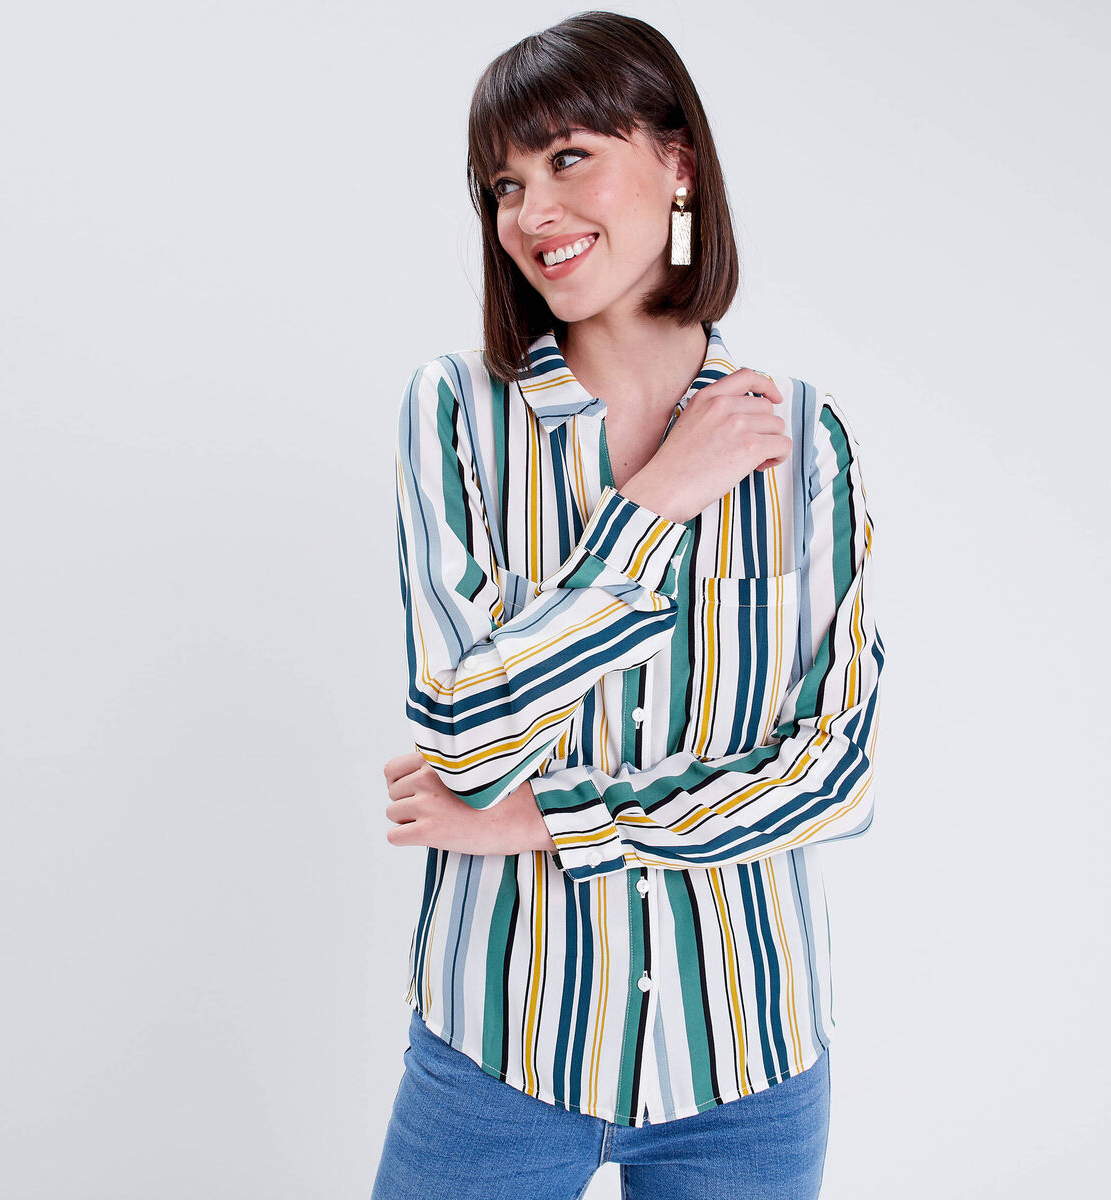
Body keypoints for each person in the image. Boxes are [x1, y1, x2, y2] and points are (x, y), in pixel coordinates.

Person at [373, 11, 884, 1199]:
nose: (531, 212)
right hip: (499, 1049)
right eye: (504, 185)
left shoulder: (805, 439)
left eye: (569, 158)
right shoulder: (455, 414)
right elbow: (464, 740)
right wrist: (652, 507)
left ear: (677, 163)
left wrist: (548, 820)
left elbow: (835, 778)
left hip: (746, 1061)